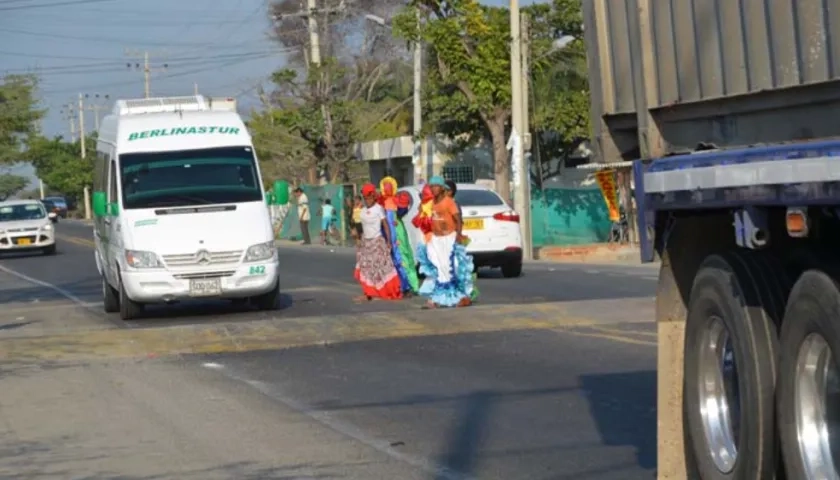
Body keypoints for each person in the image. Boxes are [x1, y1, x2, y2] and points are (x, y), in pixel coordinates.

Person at [416, 176, 476, 308]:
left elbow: (458, 219)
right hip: (436, 239)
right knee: (438, 267)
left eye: (436, 186)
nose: (434, 189)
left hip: (449, 238)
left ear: (442, 188)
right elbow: (423, 215)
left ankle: (463, 297)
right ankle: (438, 298)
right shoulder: (431, 203)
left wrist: (459, 234)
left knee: (452, 268)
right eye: (431, 186)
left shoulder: (449, 202)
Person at [354, 183, 403, 302]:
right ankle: (368, 293)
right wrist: (359, 239)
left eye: (369, 198)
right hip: (367, 243)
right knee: (367, 269)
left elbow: (386, 225)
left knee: (382, 268)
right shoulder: (363, 211)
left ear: (374, 197)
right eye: (365, 198)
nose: (367, 201)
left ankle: (386, 292)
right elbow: (360, 227)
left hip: (377, 242)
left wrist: (389, 241)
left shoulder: (379, 209)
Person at [394, 190, 420, 294]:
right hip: (400, 246)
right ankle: (408, 286)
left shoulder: (398, 220)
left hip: (404, 246)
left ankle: (412, 286)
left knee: (409, 264)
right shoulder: (394, 220)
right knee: (405, 265)